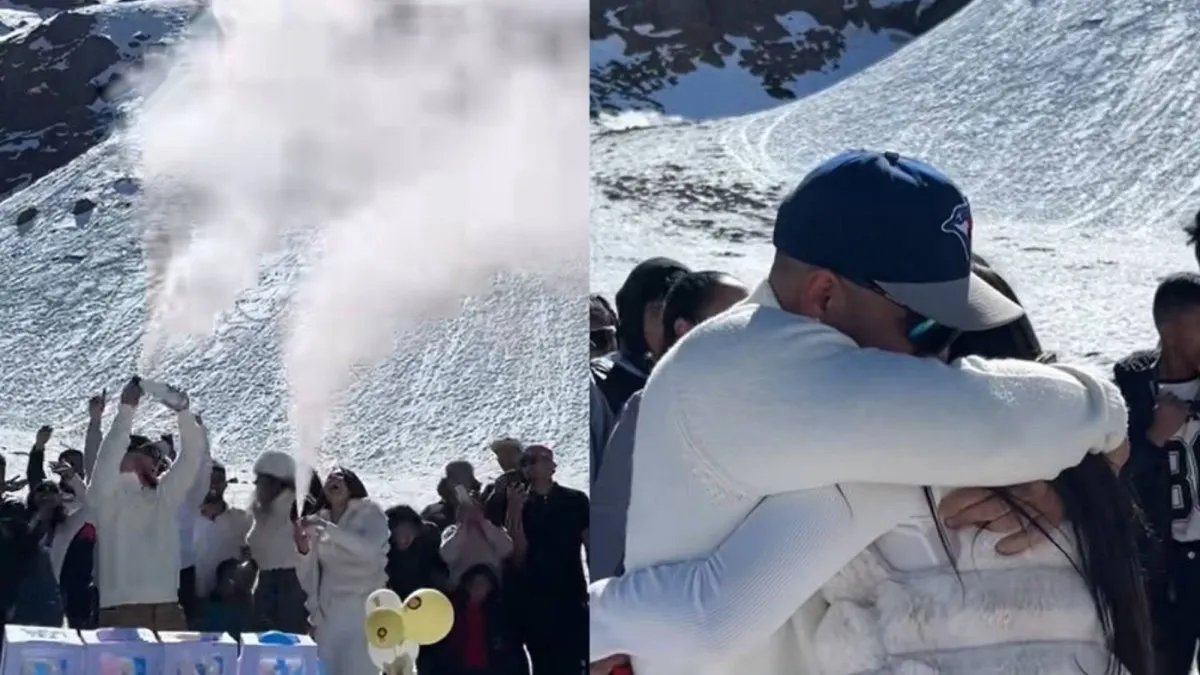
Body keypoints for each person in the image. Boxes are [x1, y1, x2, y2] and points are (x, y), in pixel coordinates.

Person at [587, 150, 1131, 675]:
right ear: (823, 296)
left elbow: (718, 610)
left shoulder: (741, 367)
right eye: (925, 326)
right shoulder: (755, 363)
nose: (936, 356)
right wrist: (1101, 416)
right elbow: (998, 421)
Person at [590, 270, 749, 580]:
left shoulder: (748, 402)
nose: (749, 331)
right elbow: (611, 521)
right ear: (684, 330)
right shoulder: (647, 407)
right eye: (735, 320)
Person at [1114, 271, 1200, 675]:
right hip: (1162, 572)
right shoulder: (1131, 393)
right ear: (1169, 329)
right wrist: (1153, 437)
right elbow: (1113, 482)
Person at [89, 376, 206, 630]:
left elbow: (190, 460)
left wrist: (184, 414)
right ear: (127, 456)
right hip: (122, 611)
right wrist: (126, 410)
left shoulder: (163, 495)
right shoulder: (107, 495)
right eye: (149, 454)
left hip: (168, 609)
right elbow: (108, 456)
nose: (156, 462)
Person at [590, 257, 691, 472]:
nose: (673, 325)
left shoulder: (704, 379)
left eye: (683, 314)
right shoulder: (600, 388)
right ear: (635, 318)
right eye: (660, 313)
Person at [295, 468, 389, 675]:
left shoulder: (371, 513)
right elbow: (308, 570)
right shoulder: (318, 519)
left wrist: (328, 529)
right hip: (330, 613)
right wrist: (303, 548)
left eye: (340, 477)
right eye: (329, 477)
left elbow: (368, 550)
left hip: (362, 611)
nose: (333, 480)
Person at [511, 444, 588, 675]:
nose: (531, 465)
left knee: (579, 659)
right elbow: (518, 555)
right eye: (526, 461)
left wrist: (597, 586)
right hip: (536, 600)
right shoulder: (519, 504)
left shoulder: (575, 500)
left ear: (553, 466)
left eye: (538, 459)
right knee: (544, 665)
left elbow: (591, 544)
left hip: (572, 594)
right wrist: (514, 510)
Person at [245, 449, 310, 634]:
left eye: (261, 480)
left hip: (290, 587)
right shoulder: (263, 510)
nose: (256, 485)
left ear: (275, 483)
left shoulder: (296, 509)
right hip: (266, 582)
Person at [439, 564, 529, 675]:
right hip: (458, 668)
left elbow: (509, 646)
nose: (479, 587)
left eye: (484, 584)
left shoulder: (498, 612)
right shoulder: (454, 609)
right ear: (467, 585)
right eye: (475, 583)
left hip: (489, 669)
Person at [440, 494, 513, 587]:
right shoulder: (450, 532)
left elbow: (507, 549)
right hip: (461, 588)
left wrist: (483, 523)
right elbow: (447, 555)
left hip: (492, 587)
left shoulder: (494, 528)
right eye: (464, 510)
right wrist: (463, 527)